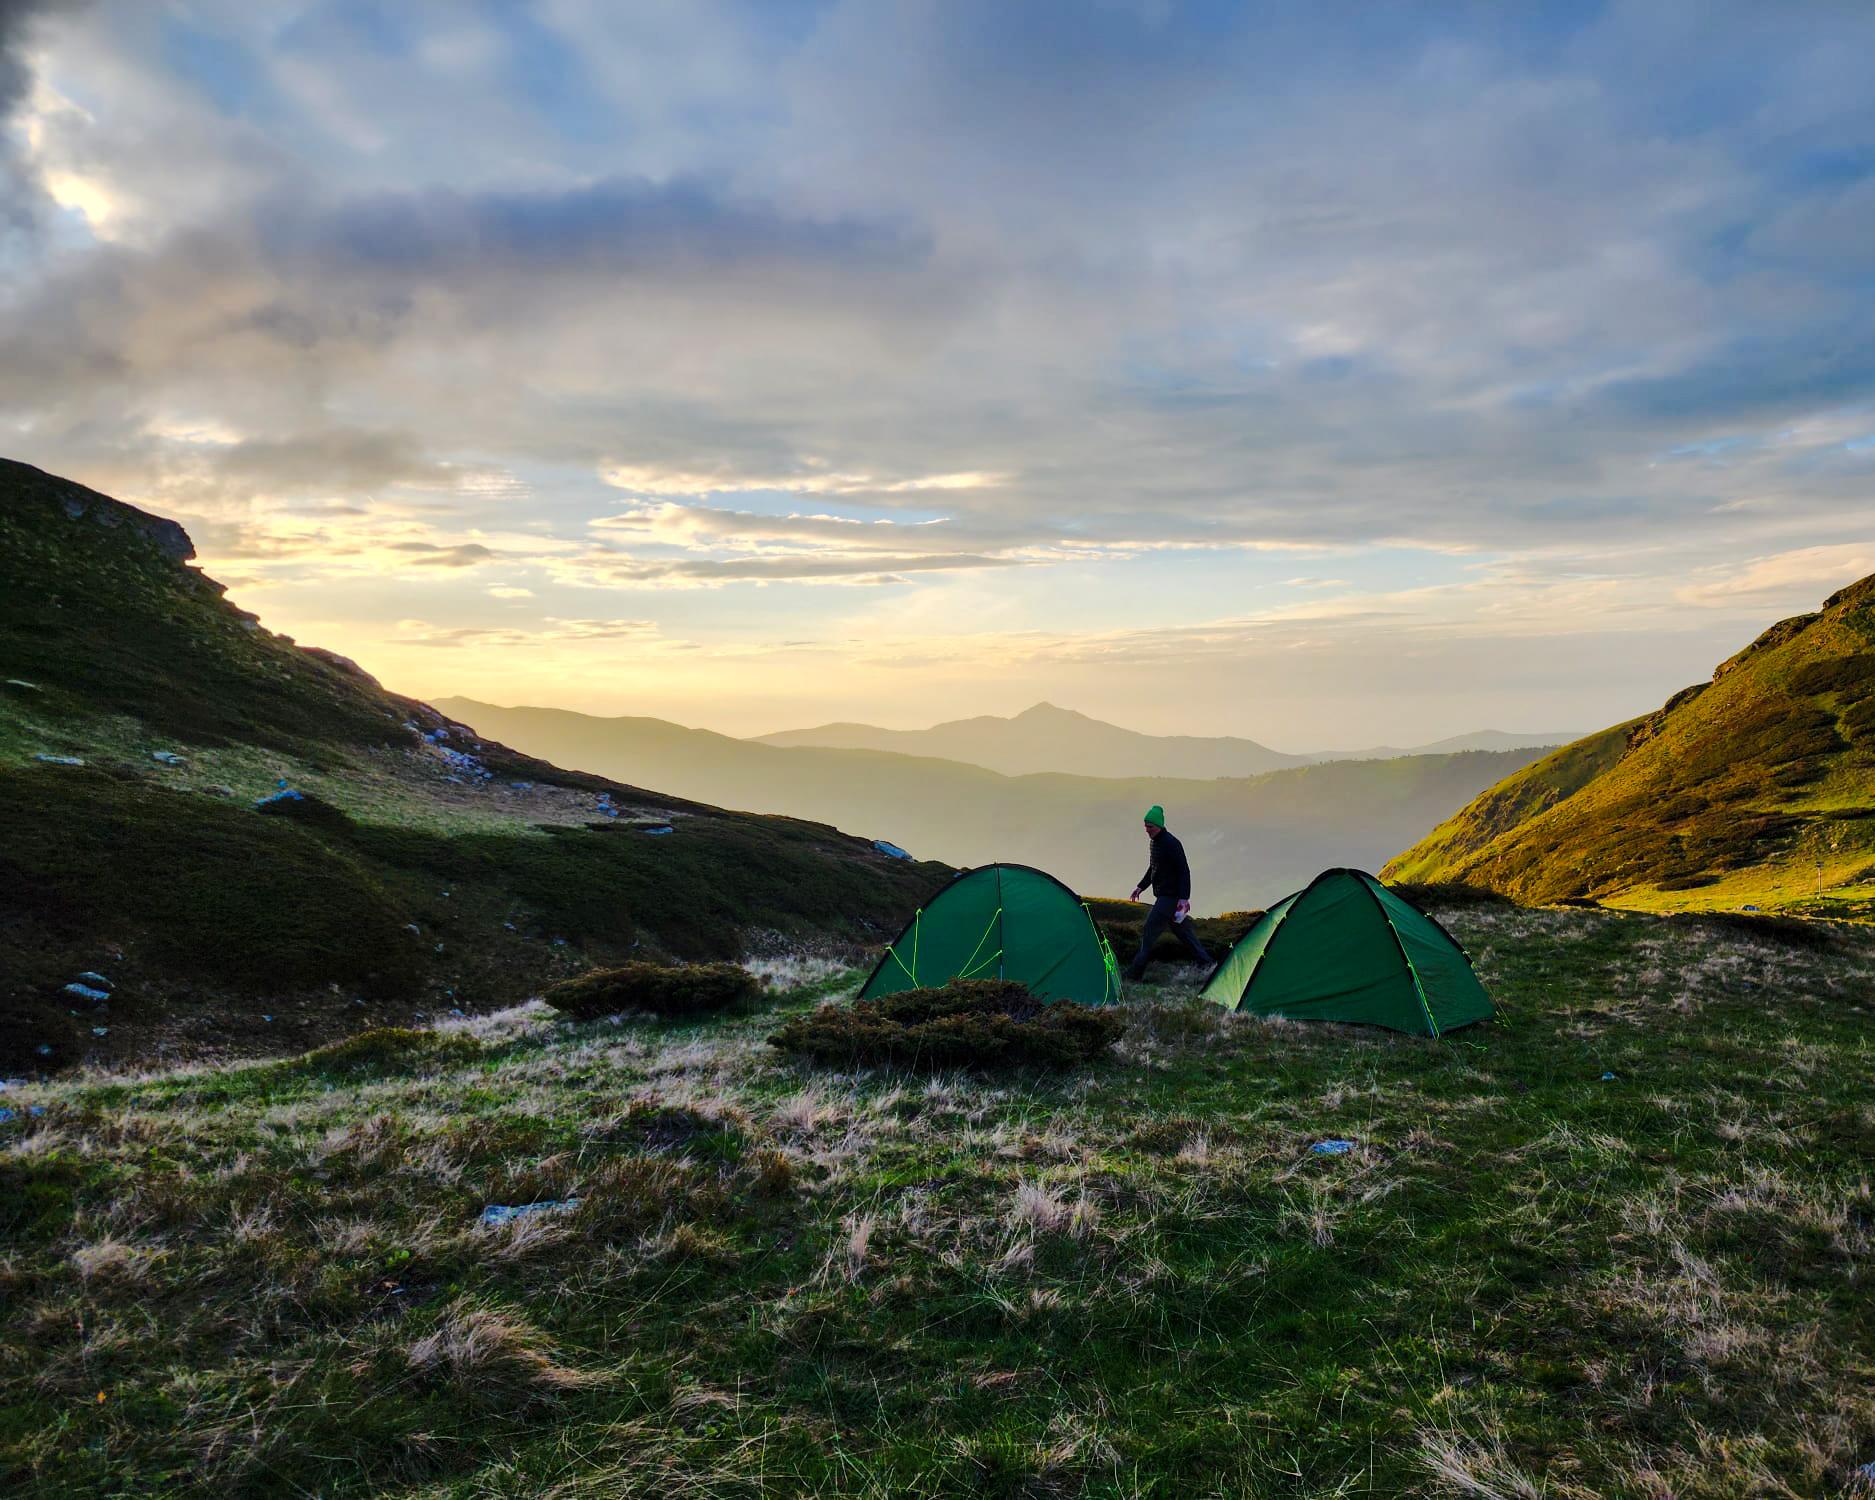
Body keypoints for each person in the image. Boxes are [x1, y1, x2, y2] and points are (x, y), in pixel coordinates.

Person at [1126, 804, 1212, 982]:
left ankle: (1134, 974)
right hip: (1167, 898)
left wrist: (1183, 898)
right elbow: (1153, 868)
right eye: (1145, 826)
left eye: (1150, 826)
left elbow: (1184, 870)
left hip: (1169, 899)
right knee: (1186, 935)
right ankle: (1208, 965)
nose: (1147, 830)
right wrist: (1140, 886)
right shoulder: (1154, 842)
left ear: (1159, 825)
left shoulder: (1172, 843)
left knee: (1148, 933)